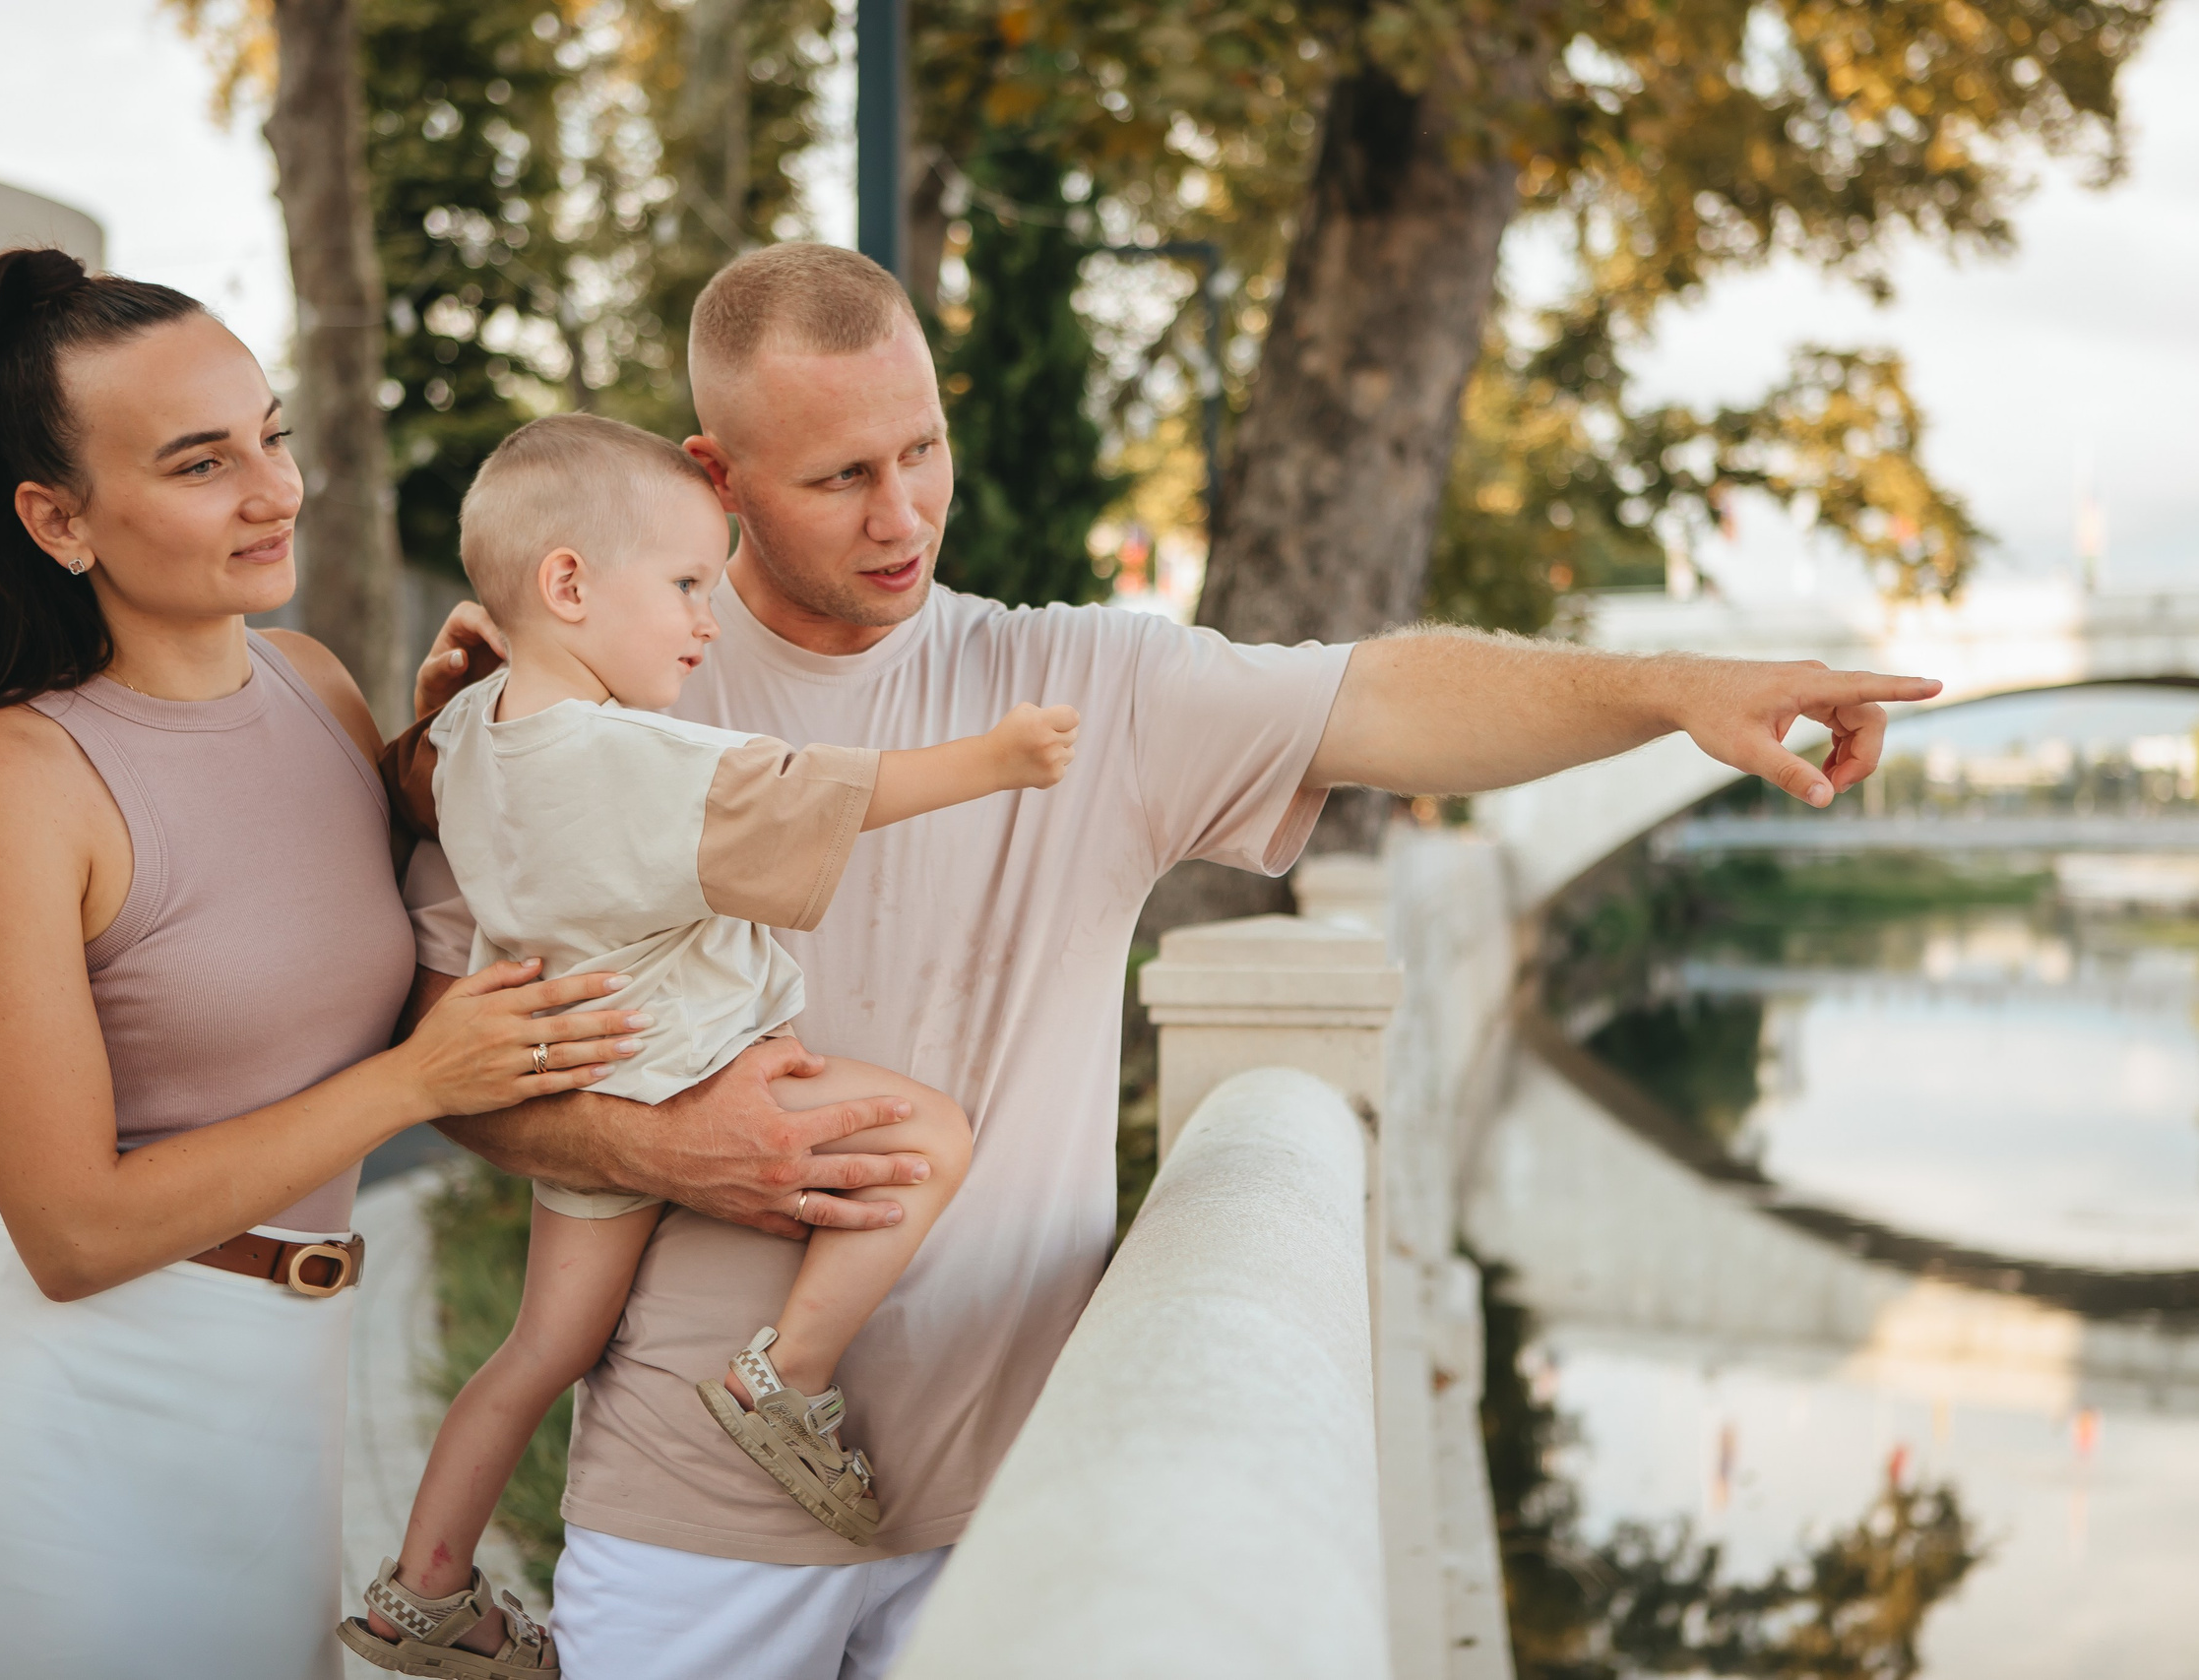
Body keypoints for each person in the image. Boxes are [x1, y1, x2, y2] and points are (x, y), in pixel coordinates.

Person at [395, 242, 1939, 1679]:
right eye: (842, 475)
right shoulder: (579, 711)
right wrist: (669, 1144)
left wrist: (1674, 689)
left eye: (922, 448)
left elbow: (1386, 698)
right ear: (714, 478)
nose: (903, 514)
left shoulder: (1082, 681)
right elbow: (445, 1066)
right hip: (694, 1507)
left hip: (1023, 1483)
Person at [0, 251, 657, 1680]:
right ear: (57, 517)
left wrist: (460, 744)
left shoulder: (317, 684)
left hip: (278, 1401)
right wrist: (413, 1080)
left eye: (270, 433)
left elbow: (363, 918)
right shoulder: (11, 776)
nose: (272, 487)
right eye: (201, 461)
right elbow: (72, 1228)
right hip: (58, 1428)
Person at [341, 413, 1077, 1676]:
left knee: (539, 1352)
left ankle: (423, 1593)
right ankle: (782, 1375)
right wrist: (999, 760)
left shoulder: (471, 734)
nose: (708, 617)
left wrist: (437, 709)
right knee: (928, 1138)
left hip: (585, 1081)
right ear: (566, 585)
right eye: (685, 584)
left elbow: (407, 785)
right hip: (695, 1062)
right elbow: (834, 793)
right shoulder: (634, 756)